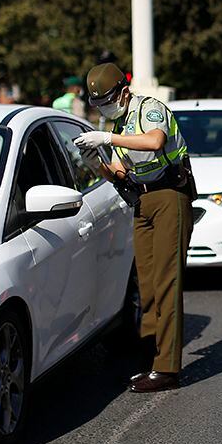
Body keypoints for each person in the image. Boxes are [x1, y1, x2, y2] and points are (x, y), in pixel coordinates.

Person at [74, 63, 194, 393]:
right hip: (142, 202)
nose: (104, 108)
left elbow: (155, 142)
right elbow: (121, 173)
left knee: (167, 280)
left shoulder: (149, 109)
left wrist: (109, 137)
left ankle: (167, 369)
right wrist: (96, 163)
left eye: (108, 100)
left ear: (124, 91)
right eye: (98, 104)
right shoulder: (121, 122)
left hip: (170, 195)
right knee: (147, 281)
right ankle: (150, 353)